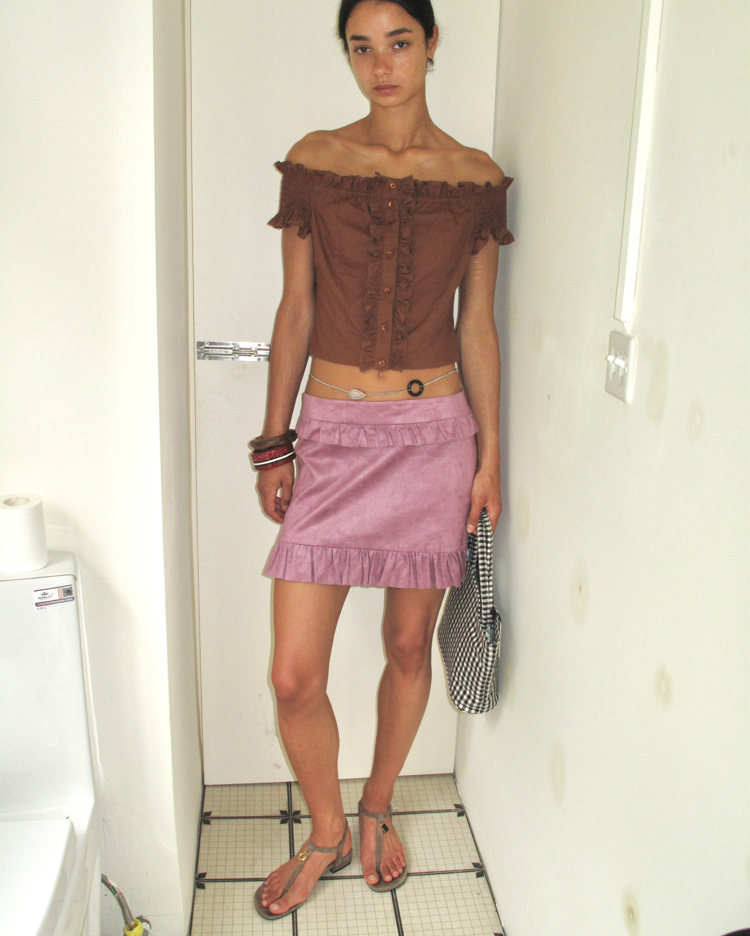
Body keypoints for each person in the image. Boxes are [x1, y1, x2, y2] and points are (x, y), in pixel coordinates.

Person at [251, 0, 513, 919]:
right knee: (294, 676)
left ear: (431, 44)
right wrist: (275, 441)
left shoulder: (475, 178)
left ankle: (375, 806)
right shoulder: (316, 160)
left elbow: (477, 327)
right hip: (331, 436)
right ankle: (325, 831)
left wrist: (490, 456)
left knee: (407, 646)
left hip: (434, 437)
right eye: (361, 48)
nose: (381, 65)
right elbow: (295, 311)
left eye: (399, 43)